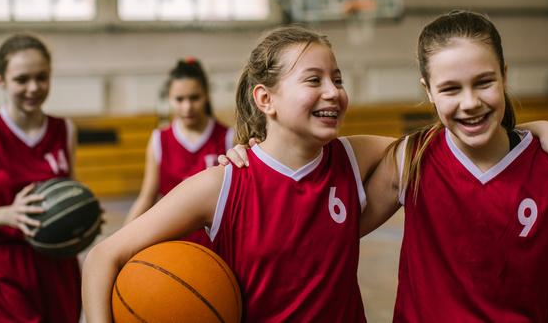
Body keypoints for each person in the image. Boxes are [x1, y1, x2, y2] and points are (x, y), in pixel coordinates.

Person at [82, 26, 392, 322]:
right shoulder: (224, 182)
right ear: (265, 99)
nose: (333, 91)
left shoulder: (353, 156)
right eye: (313, 80)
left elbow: (426, 150)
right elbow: (101, 258)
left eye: (337, 80)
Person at [361, 11, 548, 321]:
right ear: (428, 90)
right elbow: (337, 234)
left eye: (484, 82)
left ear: (505, 76)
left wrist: (539, 128)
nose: (469, 102)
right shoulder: (410, 159)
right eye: (451, 89)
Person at [0, 33, 81, 322]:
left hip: (61, 263)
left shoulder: (65, 130)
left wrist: (83, 216)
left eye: (41, 77)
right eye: (22, 79)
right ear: (0, 79)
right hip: (9, 266)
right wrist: (7, 215)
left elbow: (71, 191)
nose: (33, 88)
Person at [124, 57, 233, 246]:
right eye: (179, 99)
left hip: (216, 243)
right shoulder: (159, 139)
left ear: (206, 94)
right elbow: (147, 197)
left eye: (194, 98)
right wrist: (121, 240)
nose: (187, 107)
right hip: (171, 242)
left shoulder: (229, 137)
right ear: (169, 98)